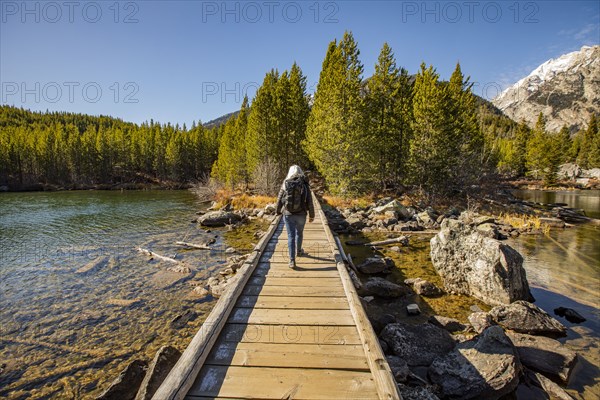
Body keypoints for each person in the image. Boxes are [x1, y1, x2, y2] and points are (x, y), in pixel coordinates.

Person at [276, 165, 315, 269]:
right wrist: (312, 215)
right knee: (299, 233)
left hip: (288, 214)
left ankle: (292, 261)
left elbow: (279, 199)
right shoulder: (304, 184)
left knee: (290, 236)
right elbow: (310, 202)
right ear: (300, 171)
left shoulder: (285, 183)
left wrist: (277, 211)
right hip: (301, 214)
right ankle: (299, 251)